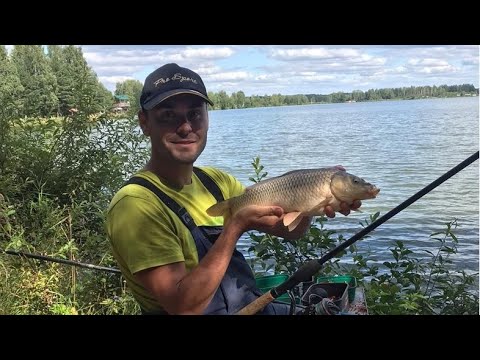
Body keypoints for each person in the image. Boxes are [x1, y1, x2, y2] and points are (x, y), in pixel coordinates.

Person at [106, 63, 361, 315]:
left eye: (195, 114)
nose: (185, 127)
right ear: (144, 122)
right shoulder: (135, 205)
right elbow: (184, 308)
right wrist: (234, 228)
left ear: (206, 118)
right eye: (168, 116)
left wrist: (309, 204)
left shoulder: (216, 181)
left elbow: (287, 231)